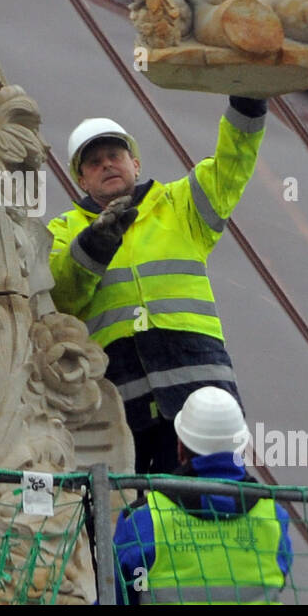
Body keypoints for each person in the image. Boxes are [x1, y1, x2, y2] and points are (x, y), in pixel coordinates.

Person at [48, 96, 265, 473]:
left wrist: (246, 105)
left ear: (135, 162)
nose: (107, 165)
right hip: (123, 404)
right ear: (81, 180)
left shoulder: (180, 204)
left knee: (219, 497)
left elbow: (232, 165)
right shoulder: (65, 231)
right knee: (145, 511)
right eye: (94, 162)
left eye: (114, 155)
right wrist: (95, 244)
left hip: (201, 392)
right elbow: (61, 296)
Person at [112, 386, 292, 604]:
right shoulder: (274, 517)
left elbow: (116, 596)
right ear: (241, 446)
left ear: (180, 448)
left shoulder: (144, 519)